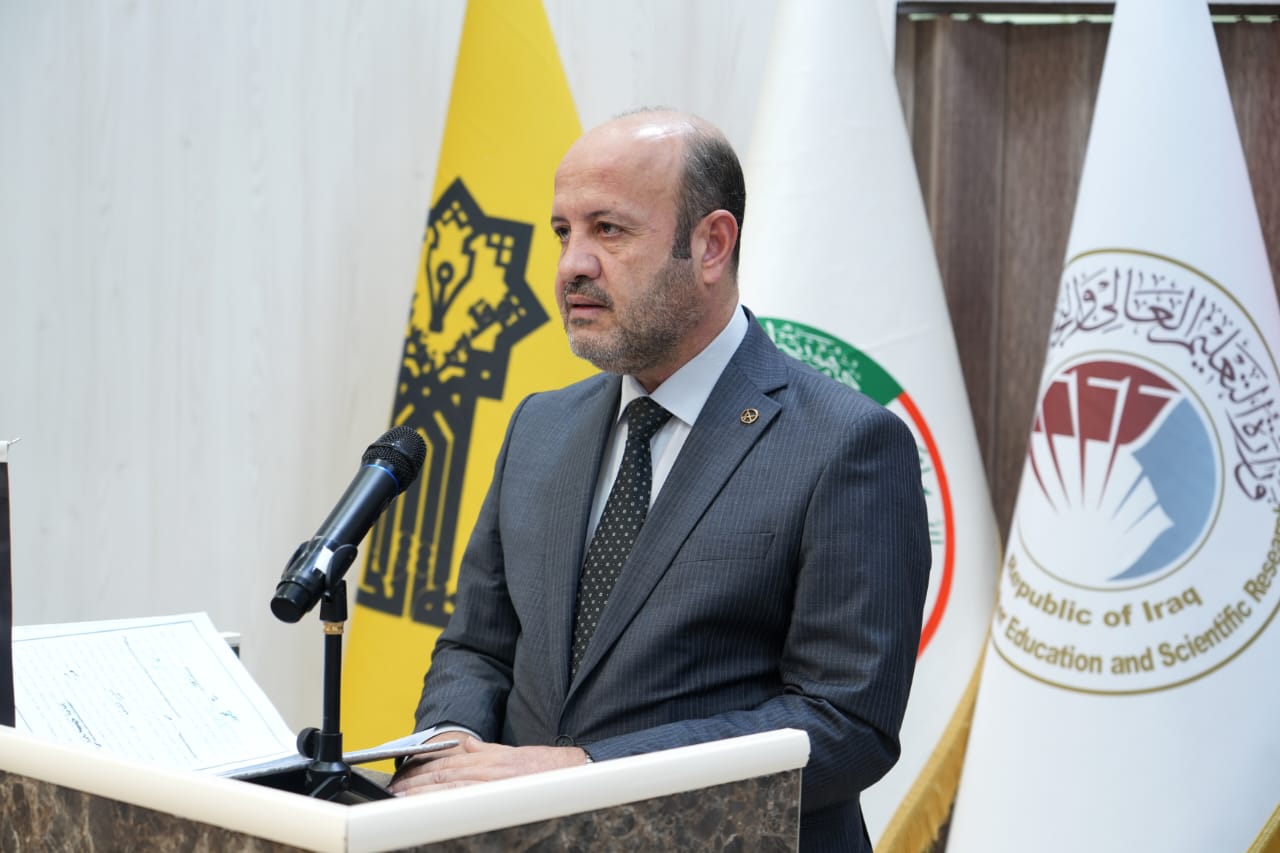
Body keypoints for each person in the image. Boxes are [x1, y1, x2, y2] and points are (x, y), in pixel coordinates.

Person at [389, 108, 931, 852]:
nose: (572, 265)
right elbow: (478, 648)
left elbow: (844, 726)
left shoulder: (846, 443)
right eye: (563, 232)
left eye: (608, 229)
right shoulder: (539, 427)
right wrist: (447, 752)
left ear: (711, 245)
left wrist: (585, 774)